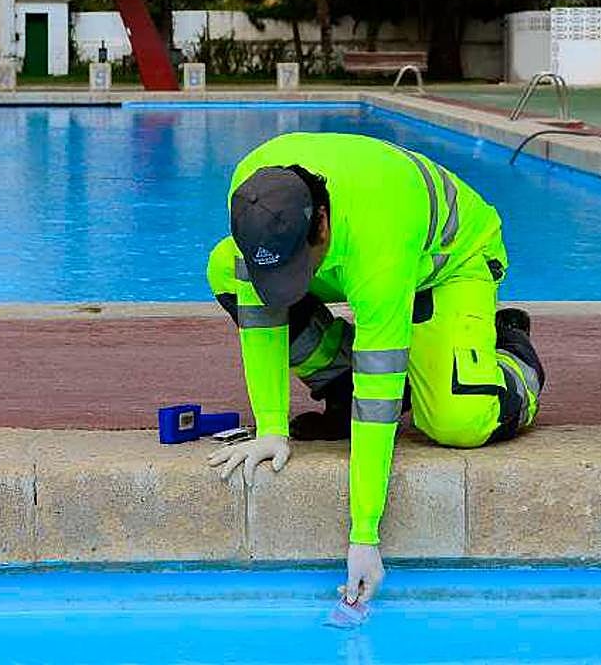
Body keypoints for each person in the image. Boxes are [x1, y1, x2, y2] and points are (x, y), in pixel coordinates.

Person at [205, 132, 544, 603]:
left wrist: (364, 534)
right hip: (350, 256)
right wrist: (270, 429)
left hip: (449, 263)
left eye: (293, 269)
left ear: (320, 224)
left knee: (457, 422)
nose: (284, 285)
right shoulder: (253, 197)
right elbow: (260, 315)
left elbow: (377, 391)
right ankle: (337, 384)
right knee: (223, 268)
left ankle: (507, 348)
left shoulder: (378, 242)